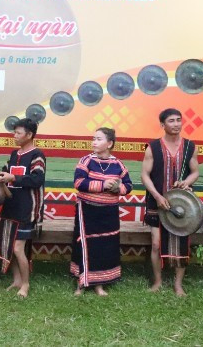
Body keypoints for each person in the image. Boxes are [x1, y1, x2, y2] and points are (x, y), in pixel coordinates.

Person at [141, 108, 200, 296]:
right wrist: (157, 196)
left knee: (182, 243)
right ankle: (158, 281)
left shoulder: (190, 146)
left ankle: (178, 284)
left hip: (183, 204)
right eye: (171, 121)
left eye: (178, 120)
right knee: (156, 244)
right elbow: (144, 175)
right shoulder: (153, 147)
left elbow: (195, 172)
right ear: (162, 125)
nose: (176, 124)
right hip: (156, 202)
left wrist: (187, 182)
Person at [70, 127, 133, 296]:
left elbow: (129, 186)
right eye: (93, 138)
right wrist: (102, 185)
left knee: (104, 246)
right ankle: (81, 283)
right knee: (85, 245)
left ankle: (99, 284)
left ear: (110, 143)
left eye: (98, 139)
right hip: (87, 211)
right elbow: (78, 183)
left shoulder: (118, 164)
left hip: (109, 213)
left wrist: (118, 188)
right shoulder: (86, 161)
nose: (94, 142)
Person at [0, 118, 46, 298]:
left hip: (27, 209)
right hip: (11, 206)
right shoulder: (14, 154)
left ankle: (25, 284)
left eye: (18, 133)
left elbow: (37, 179)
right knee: (10, 247)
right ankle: (16, 280)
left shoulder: (37, 155)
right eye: (14, 132)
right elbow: (6, 172)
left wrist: (13, 178)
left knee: (17, 248)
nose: (14, 136)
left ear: (30, 135)